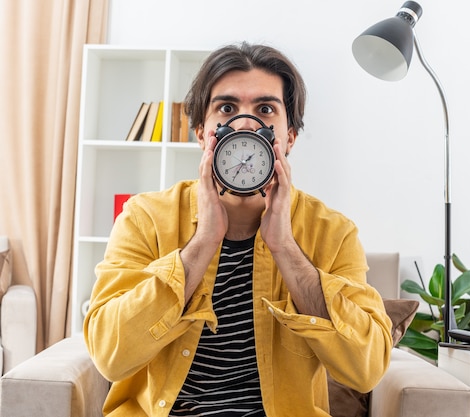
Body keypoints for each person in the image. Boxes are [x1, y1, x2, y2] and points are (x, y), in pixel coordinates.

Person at [84, 42, 393, 417]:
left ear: (289, 137)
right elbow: (109, 355)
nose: (245, 124)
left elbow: (366, 370)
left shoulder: (334, 233)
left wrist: (286, 249)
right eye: (227, 108)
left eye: (265, 109)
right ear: (201, 133)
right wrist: (202, 243)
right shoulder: (144, 218)